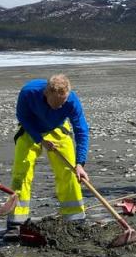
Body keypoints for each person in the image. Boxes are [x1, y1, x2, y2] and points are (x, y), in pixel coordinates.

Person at [8, 74, 90, 231]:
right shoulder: (28, 92)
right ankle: (16, 220)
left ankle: (75, 218)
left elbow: (81, 130)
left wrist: (80, 163)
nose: (60, 107)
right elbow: (22, 117)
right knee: (21, 172)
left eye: (62, 103)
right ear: (47, 93)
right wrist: (40, 140)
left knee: (70, 172)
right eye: (56, 103)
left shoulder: (72, 101)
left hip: (56, 128)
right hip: (30, 129)